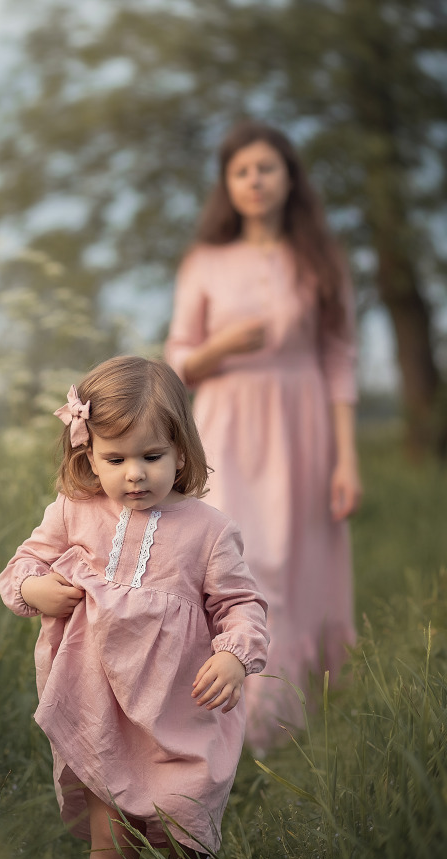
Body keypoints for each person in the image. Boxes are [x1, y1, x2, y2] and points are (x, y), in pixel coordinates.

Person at [0, 355, 268, 859]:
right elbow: (20, 566)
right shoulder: (73, 510)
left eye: (151, 456)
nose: (135, 475)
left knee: (184, 837)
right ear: (87, 453)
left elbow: (241, 605)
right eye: (115, 459)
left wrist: (233, 655)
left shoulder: (207, 530)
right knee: (109, 839)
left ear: (181, 451)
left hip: (181, 710)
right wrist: (35, 590)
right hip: (101, 710)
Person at [165, 120, 362, 753]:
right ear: (228, 183)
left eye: (266, 168)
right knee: (234, 560)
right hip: (226, 422)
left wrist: (347, 458)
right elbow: (175, 364)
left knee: (295, 562)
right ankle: (215, 722)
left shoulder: (320, 261)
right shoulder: (204, 261)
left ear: (289, 178)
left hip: (304, 427)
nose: (254, 180)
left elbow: (339, 359)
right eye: (241, 170)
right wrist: (221, 346)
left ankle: (284, 730)